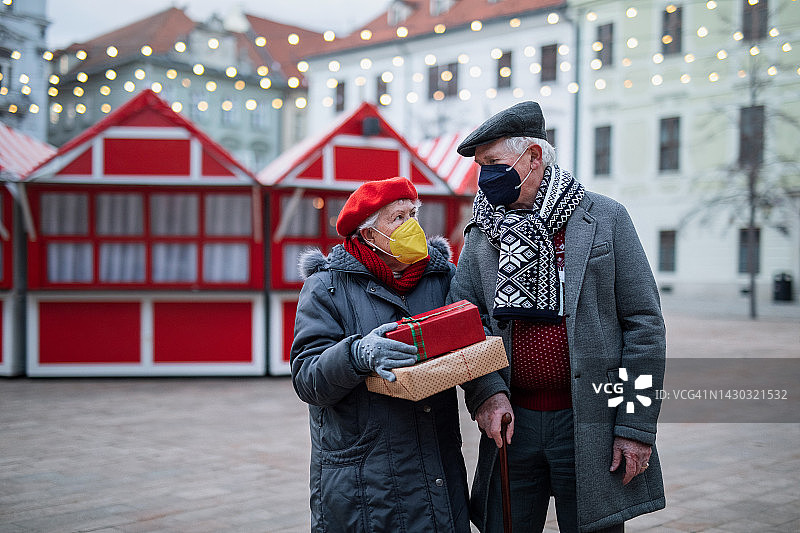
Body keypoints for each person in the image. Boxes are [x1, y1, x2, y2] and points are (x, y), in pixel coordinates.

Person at [451, 101, 666, 533]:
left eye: (493, 163)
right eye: (481, 167)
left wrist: (636, 426)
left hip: (591, 419)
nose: (484, 177)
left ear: (533, 157)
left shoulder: (605, 219)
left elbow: (644, 327)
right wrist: (486, 394)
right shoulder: (480, 233)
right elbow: (465, 325)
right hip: (514, 421)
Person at [290, 176, 470, 532]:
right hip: (366, 479)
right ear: (369, 235)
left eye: (413, 214)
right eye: (398, 219)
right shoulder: (326, 286)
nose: (412, 226)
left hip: (434, 464)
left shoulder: (441, 277)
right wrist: (356, 354)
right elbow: (307, 379)